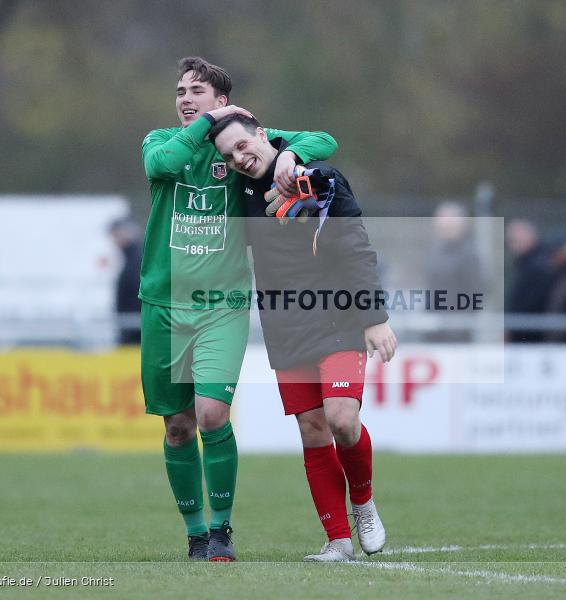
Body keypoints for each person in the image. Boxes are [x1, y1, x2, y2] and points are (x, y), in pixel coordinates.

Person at [140, 57, 338, 561]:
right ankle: (195, 532)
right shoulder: (162, 141)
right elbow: (158, 167)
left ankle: (223, 531)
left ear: (224, 101)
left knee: (210, 414)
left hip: (221, 304)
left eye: (198, 91)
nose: (185, 98)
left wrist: (287, 155)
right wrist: (206, 125)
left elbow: (324, 141)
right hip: (163, 305)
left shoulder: (241, 145)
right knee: (177, 425)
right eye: (180, 91)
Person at [209, 114, 396, 562]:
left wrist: (375, 318)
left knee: (341, 420)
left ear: (261, 134)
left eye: (242, 145)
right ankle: (337, 541)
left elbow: (355, 246)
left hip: (338, 318)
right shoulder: (241, 195)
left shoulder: (322, 179)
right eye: (229, 155)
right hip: (284, 326)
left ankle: (364, 505)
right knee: (312, 430)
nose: (239, 158)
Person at [424, 202, 485, 342]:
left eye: (447, 222)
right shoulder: (437, 251)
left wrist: (460, 322)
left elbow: (476, 291)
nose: (441, 226)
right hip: (436, 326)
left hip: (457, 330)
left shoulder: (469, 254)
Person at [505, 219, 556, 343]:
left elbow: (527, 304)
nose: (511, 245)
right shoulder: (526, 264)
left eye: (514, 240)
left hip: (531, 335)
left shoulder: (537, 266)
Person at [109, 217, 143, 344]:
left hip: (135, 332)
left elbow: (139, 295)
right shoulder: (132, 258)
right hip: (132, 328)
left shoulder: (137, 259)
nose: (114, 240)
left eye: (116, 235)